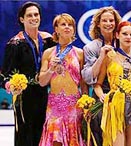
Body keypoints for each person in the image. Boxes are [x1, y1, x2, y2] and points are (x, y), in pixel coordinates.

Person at [0, 1, 56, 146]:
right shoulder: (15, 44)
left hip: (45, 94)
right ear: (22, 19)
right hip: (24, 97)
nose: (34, 18)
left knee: (44, 132)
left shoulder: (48, 40)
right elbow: (4, 75)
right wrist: (10, 85)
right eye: (29, 15)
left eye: (36, 14)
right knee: (25, 134)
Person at [94, 21, 131, 146]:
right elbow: (97, 84)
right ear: (117, 35)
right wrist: (102, 95)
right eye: (125, 34)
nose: (128, 37)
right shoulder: (109, 56)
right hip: (114, 107)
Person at [38, 13, 88, 146]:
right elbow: (42, 82)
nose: (67, 27)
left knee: (73, 141)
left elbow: (83, 83)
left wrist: (86, 104)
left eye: (70, 25)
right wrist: (50, 70)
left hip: (74, 104)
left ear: (73, 29)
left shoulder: (80, 53)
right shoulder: (48, 53)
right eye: (63, 24)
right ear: (56, 29)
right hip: (54, 105)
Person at [81, 6, 121, 146]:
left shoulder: (124, 42)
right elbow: (87, 77)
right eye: (105, 20)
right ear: (98, 23)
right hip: (101, 97)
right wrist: (101, 56)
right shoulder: (91, 48)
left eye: (111, 20)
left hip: (122, 97)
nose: (108, 23)